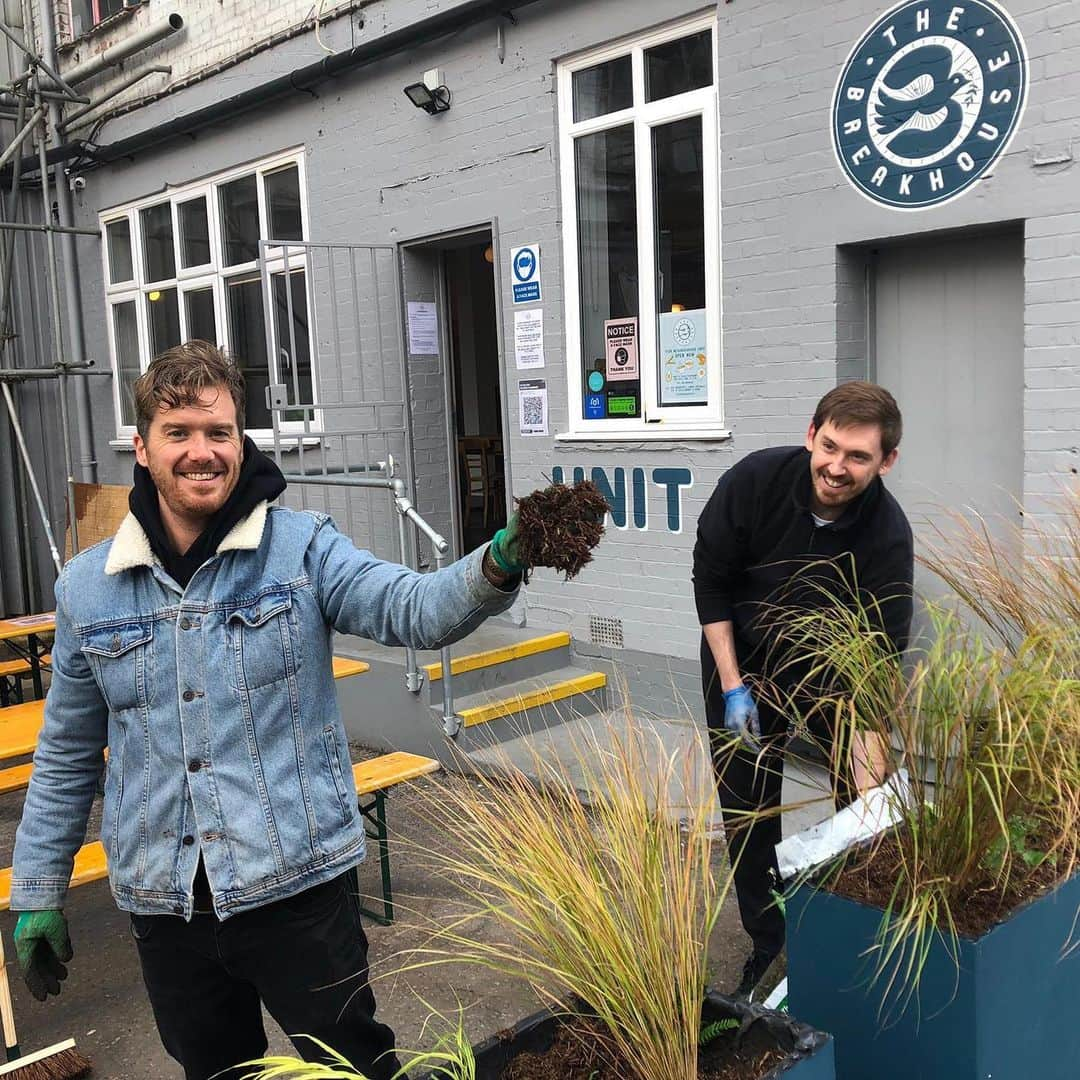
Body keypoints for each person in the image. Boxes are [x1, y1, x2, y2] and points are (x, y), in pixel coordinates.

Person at [9, 342, 538, 1080]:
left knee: (356, 1066)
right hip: (167, 906)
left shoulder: (301, 550)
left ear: (241, 440)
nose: (202, 452)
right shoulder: (88, 591)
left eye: (218, 432)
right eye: (180, 433)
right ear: (142, 447)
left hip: (298, 888)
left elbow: (411, 608)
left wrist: (496, 563)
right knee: (218, 1073)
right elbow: (66, 752)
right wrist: (37, 890)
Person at [693, 381, 913, 1000]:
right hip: (743, 663)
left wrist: (869, 794)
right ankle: (770, 945)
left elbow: (878, 663)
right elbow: (710, 585)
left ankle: (843, 930)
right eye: (831, 447)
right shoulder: (753, 483)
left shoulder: (887, 538)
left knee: (859, 811)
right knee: (748, 811)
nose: (837, 468)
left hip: (832, 683)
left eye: (859, 457)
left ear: (886, 460)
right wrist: (734, 687)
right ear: (811, 433)